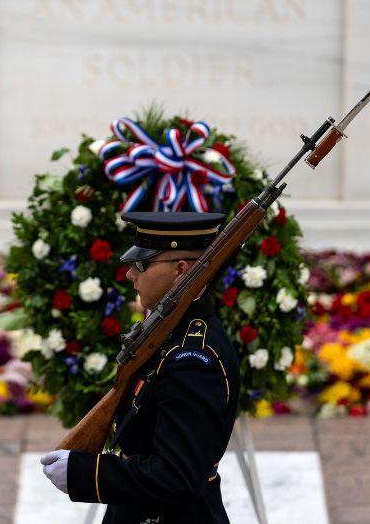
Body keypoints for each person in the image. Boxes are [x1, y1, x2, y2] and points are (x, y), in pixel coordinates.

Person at [41, 211, 241, 523]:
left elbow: (176, 475)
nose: (130, 274)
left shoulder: (192, 359)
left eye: (142, 264)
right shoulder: (168, 330)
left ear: (180, 269)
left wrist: (86, 473)